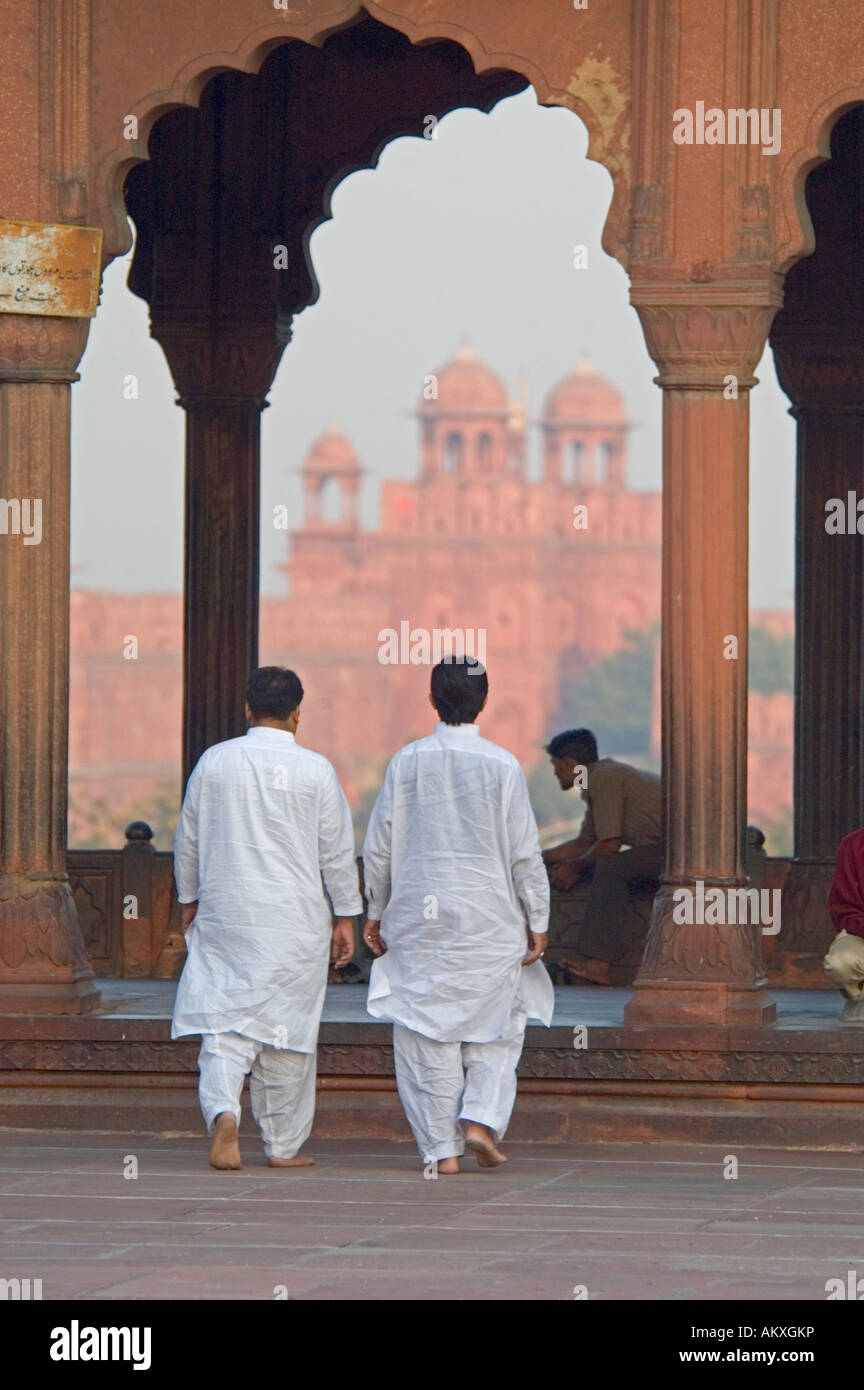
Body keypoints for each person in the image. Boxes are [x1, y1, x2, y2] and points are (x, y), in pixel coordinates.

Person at [362, 657, 552, 1174]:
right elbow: (523, 855)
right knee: (499, 1025)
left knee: (426, 1030)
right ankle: (480, 1121)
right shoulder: (502, 765)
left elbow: (379, 847)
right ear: (485, 702)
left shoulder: (407, 762)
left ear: (432, 701)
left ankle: (441, 1152)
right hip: (489, 917)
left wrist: (374, 911)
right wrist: (538, 918)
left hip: (419, 918)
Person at [172, 666, 362, 1171]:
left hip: (227, 914)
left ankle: (224, 1113)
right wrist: (346, 915)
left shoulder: (214, 762)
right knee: (288, 1033)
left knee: (225, 1022)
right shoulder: (316, 770)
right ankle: (282, 1146)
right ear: (298, 713)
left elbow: (187, 839)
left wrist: (188, 899)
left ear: (248, 709)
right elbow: (337, 853)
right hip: (294, 921)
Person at [543, 728, 662, 986]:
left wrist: (573, 869)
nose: (555, 774)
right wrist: (538, 857)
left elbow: (609, 845)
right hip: (666, 850)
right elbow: (584, 843)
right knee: (601, 864)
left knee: (610, 867)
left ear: (569, 764)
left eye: (556, 766)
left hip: (682, 852)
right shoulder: (599, 780)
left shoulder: (603, 778)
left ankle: (598, 963)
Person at [824, 829, 864, 1014]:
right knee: (841, 962)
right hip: (861, 933)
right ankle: (859, 999)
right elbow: (843, 908)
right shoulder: (853, 844)